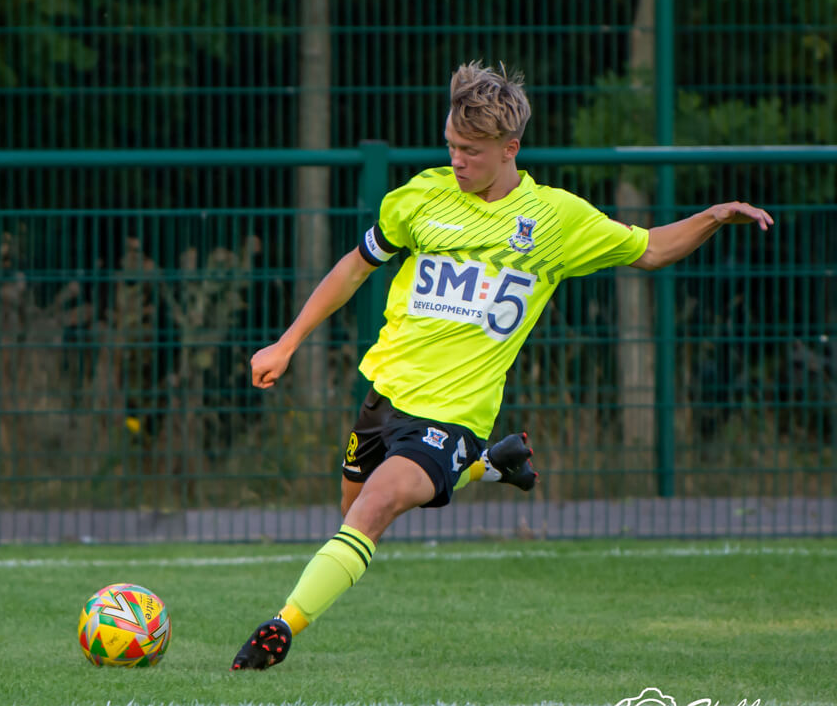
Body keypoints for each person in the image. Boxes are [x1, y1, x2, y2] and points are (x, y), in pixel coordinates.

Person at [231, 61, 774, 670]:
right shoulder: (419, 198)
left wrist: (713, 216)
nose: (457, 160)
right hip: (385, 395)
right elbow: (355, 266)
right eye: (451, 146)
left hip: (455, 412)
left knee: (375, 507)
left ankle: (280, 629)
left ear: (509, 148)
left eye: (470, 150)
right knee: (351, 514)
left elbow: (649, 249)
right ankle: (490, 466)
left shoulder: (554, 220)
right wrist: (287, 343)